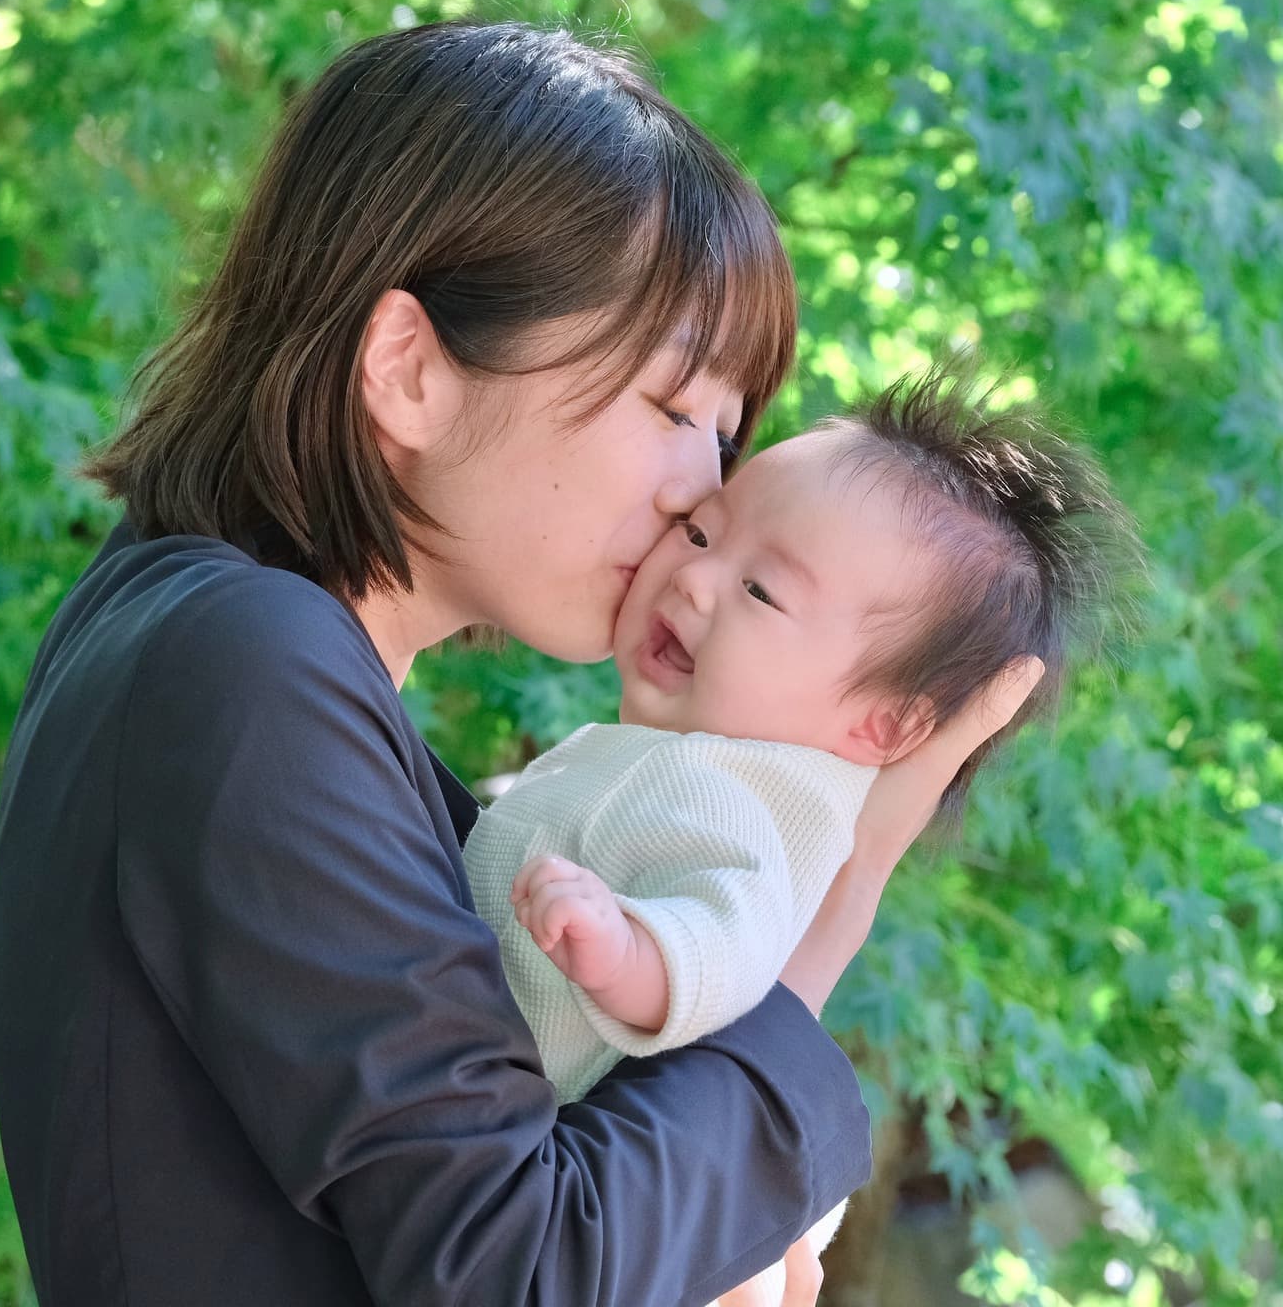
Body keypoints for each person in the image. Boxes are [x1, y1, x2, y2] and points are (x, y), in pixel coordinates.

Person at [0, 20, 1037, 1307]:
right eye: (676, 411)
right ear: (410, 370)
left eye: (726, 431)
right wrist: (825, 920)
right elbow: (520, 1268)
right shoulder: (243, 663)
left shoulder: (192, 632)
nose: (706, 490)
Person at [464, 362, 1133, 1289]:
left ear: (887, 725)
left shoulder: (749, 800)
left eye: (763, 594)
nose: (695, 579)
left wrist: (628, 952)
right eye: (700, 533)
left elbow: (730, 939)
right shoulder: (674, 758)